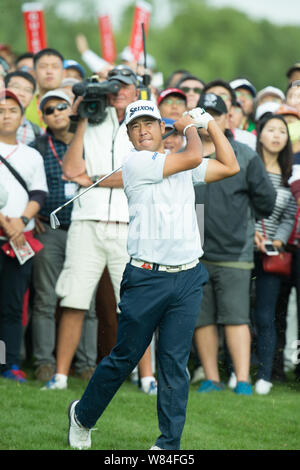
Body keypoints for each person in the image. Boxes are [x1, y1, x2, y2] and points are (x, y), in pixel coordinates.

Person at [67, 98, 240, 450]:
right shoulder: (137, 163)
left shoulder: (176, 163)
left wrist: (211, 124)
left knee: (173, 362)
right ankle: (82, 416)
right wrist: (191, 125)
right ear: (129, 137)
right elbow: (192, 156)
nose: (143, 130)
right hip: (146, 278)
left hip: (188, 276)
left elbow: (230, 165)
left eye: (150, 124)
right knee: (125, 357)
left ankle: (167, 445)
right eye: (135, 126)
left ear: (162, 129)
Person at [42, 65, 155, 393]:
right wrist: (82, 117)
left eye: (125, 85)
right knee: (75, 299)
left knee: (136, 307)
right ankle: (60, 376)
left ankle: (147, 377)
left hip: (128, 225)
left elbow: (142, 171)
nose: (119, 91)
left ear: (136, 90)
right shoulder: (93, 117)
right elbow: (70, 168)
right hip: (86, 222)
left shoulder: (145, 123)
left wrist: (93, 180)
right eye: (114, 86)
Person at [193, 93, 276, 395]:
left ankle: (242, 379)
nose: (210, 120)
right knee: (202, 320)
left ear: (228, 119)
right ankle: (211, 379)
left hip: (235, 253)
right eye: (205, 114)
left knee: (236, 317)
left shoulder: (244, 154)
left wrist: (244, 219)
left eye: (216, 114)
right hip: (196, 253)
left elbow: (266, 200)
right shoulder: (187, 153)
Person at [28, 89, 97, 383]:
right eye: (49, 109)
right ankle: (44, 362)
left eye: (61, 107)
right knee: (45, 299)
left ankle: (87, 364)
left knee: (87, 302)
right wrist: (30, 216)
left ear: (72, 110)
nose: (56, 112)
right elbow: (27, 186)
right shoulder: (37, 148)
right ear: (42, 117)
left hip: (87, 229)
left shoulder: (90, 142)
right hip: (51, 231)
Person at [0, 89, 48, 382]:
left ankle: (8, 363)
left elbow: (39, 193)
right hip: (9, 233)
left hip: (20, 241)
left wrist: (21, 222)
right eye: (1, 110)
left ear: (22, 118)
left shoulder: (31, 154)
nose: (6, 115)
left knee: (12, 305)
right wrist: (8, 225)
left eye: (12, 110)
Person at [253, 113, 297, 395]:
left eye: (282, 131)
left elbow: (289, 215)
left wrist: (278, 242)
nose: (277, 135)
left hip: (271, 254)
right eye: (271, 130)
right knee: (237, 313)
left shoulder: (286, 179)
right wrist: (250, 234)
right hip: (243, 248)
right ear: (260, 135)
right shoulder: (247, 167)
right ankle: (236, 370)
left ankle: (265, 375)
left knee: (265, 314)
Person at [201, 79, 257, 150]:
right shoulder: (188, 138)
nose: (217, 100)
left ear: (232, 107)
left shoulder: (248, 141)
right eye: (212, 95)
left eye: (223, 96)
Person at [25, 48, 65, 130]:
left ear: (64, 73)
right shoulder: (25, 105)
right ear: (34, 73)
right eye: (43, 67)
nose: (49, 71)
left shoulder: (73, 104)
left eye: (55, 67)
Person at [4, 70, 42, 144]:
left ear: (32, 97)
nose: (21, 93)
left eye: (28, 90)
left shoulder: (37, 132)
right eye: (16, 87)